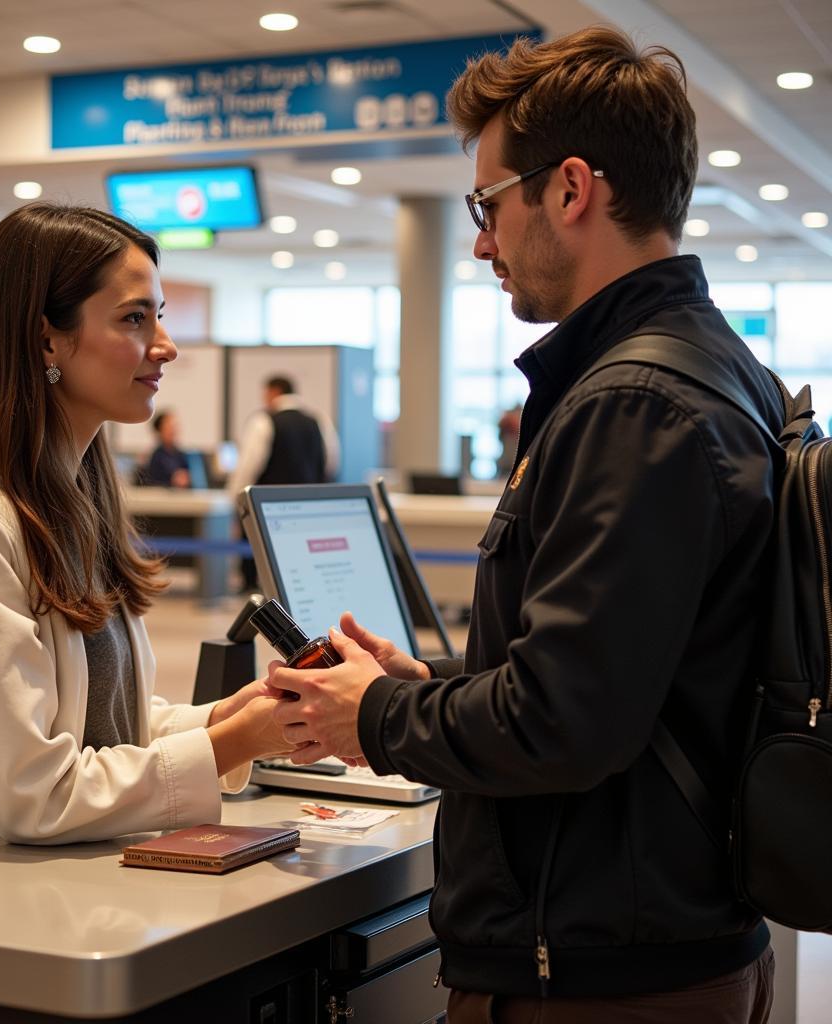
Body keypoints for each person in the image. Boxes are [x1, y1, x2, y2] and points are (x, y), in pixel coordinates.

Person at [267, 27, 783, 1024]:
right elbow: (625, 675)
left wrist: (369, 717)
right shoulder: (712, 370)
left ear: (570, 189)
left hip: (601, 976)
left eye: (486, 205)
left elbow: (563, 723)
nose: (480, 240)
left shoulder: (632, 405)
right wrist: (428, 691)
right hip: (662, 942)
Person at [0, 203, 292, 879]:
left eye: (159, 315)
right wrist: (229, 744)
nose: (165, 344)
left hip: (63, 900)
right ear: (47, 339)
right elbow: (32, 790)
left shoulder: (75, 504)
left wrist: (227, 718)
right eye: (135, 318)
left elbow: (97, 731)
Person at [227, 375, 340, 589]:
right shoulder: (319, 421)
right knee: (299, 558)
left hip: (269, 507)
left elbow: (248, 466)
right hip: (307, 505)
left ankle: (254, 588)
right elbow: (331, 462)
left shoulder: (264, 421)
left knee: (261, 555)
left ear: (273, 392)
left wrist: (235, 498)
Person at [133, 408, 191, 487]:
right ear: (160, 430)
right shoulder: (156, 456)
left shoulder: (181, 455)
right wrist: (172, 481)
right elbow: (152, 482)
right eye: (169, 427)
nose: (173, 430)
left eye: (175, 426)